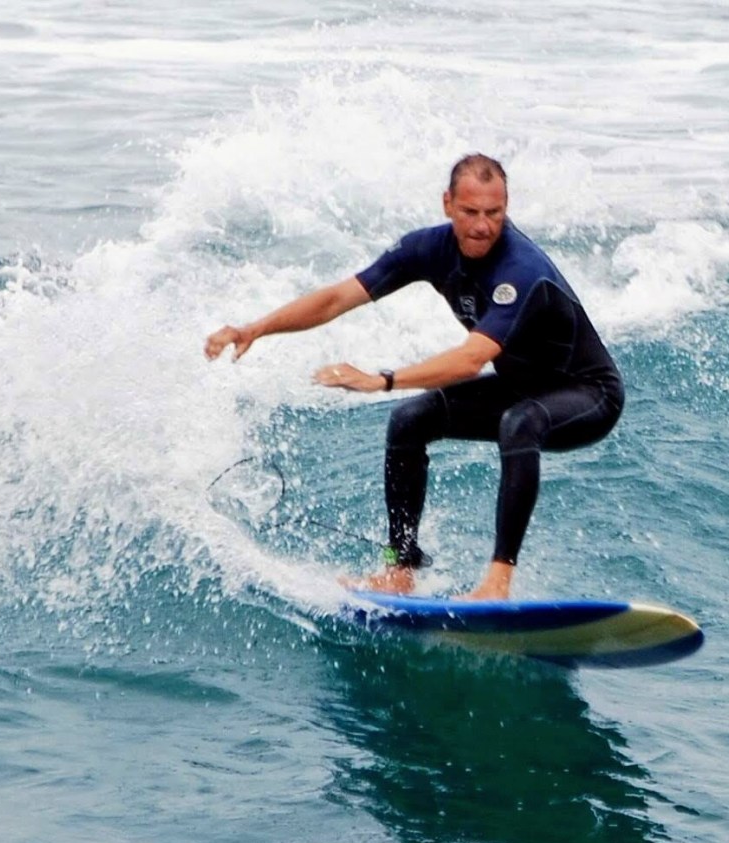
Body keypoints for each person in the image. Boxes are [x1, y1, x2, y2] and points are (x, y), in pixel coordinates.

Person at [204, 154, 623, 599]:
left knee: (519, 422)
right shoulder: (427, 249)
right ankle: (399, 569)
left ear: (506, 207)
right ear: (447, 204)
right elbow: (335, 298)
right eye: (470, 212)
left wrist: (382, 379)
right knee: (409, 421)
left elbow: (470, 360)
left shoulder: (520, 270)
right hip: (522, 388)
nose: (482, 226)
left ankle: (497, 582)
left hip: (588, 394)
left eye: (494, 213)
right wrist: (256, 328)